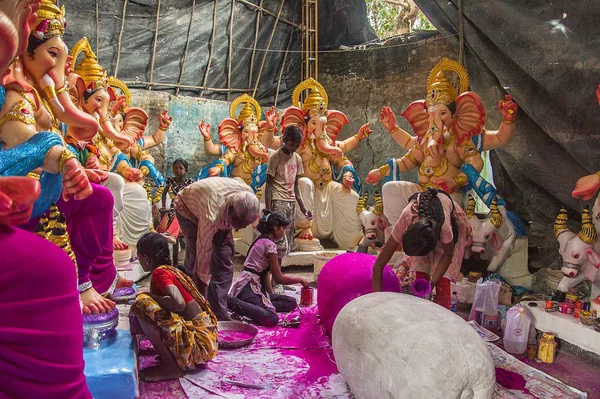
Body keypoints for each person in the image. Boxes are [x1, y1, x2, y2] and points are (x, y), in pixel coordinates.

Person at [131, 232, 218, 382]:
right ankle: (173, 356)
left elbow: (178, 303)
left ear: (146, 258)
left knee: (141, 302)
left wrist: (152, 297)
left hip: (198, 344)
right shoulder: (173, 271)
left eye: (139, 257)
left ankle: (170, 366)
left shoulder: (160, 273)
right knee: (151, 307)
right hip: (207, 341)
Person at [174, 177, 260, 320]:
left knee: (224, 257)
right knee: (195, 258)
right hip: (187, 208)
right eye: (239, 224)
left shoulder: (248, 195)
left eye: (245, 224)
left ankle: (219, 311)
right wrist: (202, 308)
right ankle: (191, 304)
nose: (242, 228)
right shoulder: (211, 216)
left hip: (216, 203)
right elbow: (203, 255)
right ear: (230, 212)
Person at [372, 188, 471, 309]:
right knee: (420, 277)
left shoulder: (445, 227)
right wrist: (377, 299)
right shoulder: (406, 218)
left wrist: (433, 282)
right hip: (426, 228)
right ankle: (420, 310)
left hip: (452, 222)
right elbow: (379, 264)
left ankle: (443, 319)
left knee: (443, 281)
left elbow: (447, 255)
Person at [228, 210, 308, 326]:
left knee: (291, 302)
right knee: (271, 318)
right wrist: (299, 280)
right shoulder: (270, 245)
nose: (284, 232)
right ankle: (231, 301)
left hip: (254, 285)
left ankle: (254, 306)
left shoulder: (261, 239)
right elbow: (278, 277)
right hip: (247, 285)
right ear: (276, 228)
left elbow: (265, 273)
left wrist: (269, 295)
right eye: (283, 229)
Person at [265, 125, 311, 263]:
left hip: (291, 202)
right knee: (278, 239)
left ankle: (278, 277)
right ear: (284, 139)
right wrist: (268, 210)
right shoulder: (275, 158)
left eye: (296, 146)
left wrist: (303, 207)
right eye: (291, 145)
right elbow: (269, 185)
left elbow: (296, 186)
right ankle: (274, 278)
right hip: (277, 200)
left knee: (287, 240)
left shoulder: (297, 158)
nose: (293, 148)